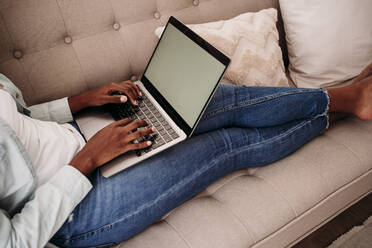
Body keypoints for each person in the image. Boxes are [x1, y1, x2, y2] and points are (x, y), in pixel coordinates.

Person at [0, 63, 371, 248]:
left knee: (216, 99)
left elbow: (19, 122)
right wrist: (86, 161)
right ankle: (350, 101)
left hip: (80, 134)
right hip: (71, 208)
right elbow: (14, 241)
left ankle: (345, 99)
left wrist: (79, 102)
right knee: (223, 145)